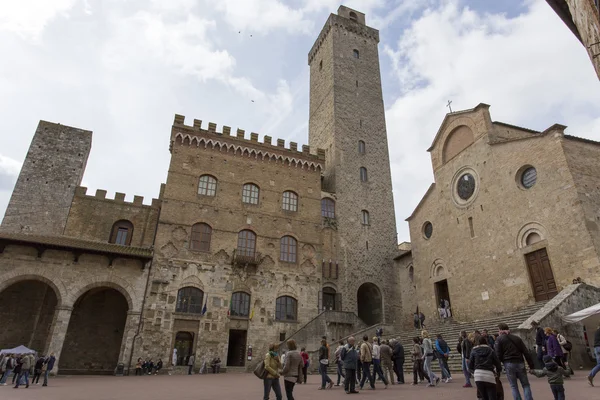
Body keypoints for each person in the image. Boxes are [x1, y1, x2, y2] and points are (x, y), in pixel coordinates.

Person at [496, 322, 535, 400]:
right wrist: (531, 366)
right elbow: (525, 352)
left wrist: (498, 368)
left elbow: (498, 354)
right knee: (525, 385)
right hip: (520, 362)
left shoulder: (499, 339)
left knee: (513, 386)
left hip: (508, 363)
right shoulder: (517, 338)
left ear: (500, 330)